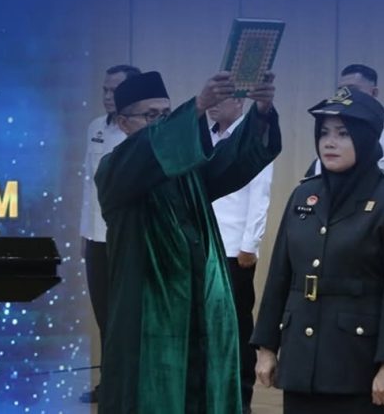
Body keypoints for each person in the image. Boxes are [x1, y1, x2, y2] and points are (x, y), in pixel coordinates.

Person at [95, 70, 281, 413]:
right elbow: (150, 149)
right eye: (151, 115)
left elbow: (230, 162)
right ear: (123, 123)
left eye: (166, 114)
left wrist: (261, 112)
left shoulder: (186, 170)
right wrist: (197, 106)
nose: (162, 123)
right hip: (147, 314)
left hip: (196, 307)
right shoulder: (115, 168)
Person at [252, 87, 384, 414]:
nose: (330, 142)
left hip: (360, 365)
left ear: (366, 138)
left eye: (343, 134)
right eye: (324, 132)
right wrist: (266, 346)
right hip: (302, 361)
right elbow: (279, 276)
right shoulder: (304, 196)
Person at [207, 97, 274, 414]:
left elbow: (260, 196)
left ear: (239, 102)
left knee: (237, 327)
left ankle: (241, 398)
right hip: (204, 247)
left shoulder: (251, 136)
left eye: (222, 98)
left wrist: (251, 244)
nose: (213, 104)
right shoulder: (204, 136)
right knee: (207, 328)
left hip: (235, 249)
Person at [79, 64, 141, 404]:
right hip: (97, 238)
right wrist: (84, 234)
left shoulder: (143, 130)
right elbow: (88, 187)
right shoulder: (95, 128)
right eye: (104, 89)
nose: (107, 95)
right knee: (104, 316)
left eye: (114, 89)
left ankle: (133, 385)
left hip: (129, 241)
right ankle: (110, 385)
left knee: (128, 317)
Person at [305, 64, 384, 186]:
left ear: (374, 93)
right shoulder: (331, 132)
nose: (346, 96)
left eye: (353, 90)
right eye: (341, 91)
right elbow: (320, 178)